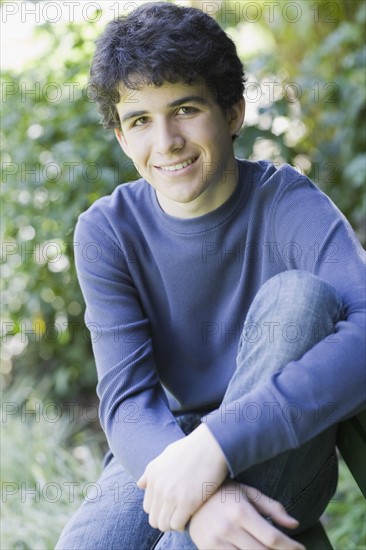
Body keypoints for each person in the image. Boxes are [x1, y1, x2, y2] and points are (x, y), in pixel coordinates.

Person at [56, 2, 366, 549]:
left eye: (186, 109)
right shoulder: (107, 232)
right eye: (140, 121)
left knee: (297, 297)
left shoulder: (287, 203)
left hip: (279, 438)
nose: (167, 140)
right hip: (168, 445)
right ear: (123, 139)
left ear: (234, 112)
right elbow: (127, 402)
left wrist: (219, 445)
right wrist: (202, 495)